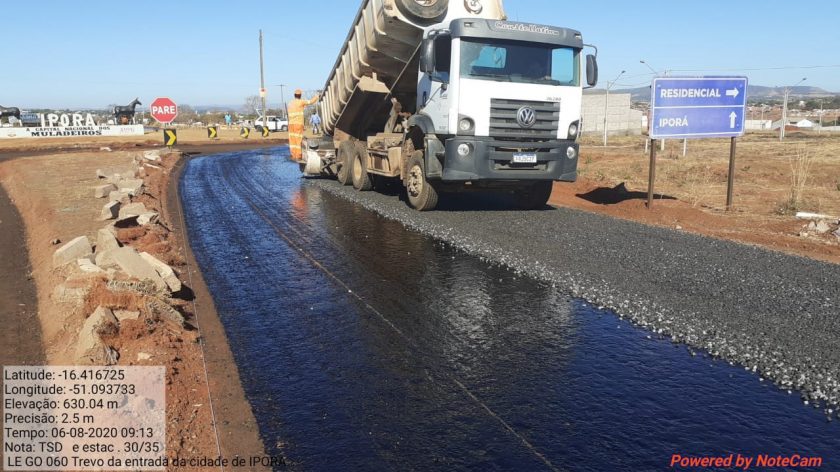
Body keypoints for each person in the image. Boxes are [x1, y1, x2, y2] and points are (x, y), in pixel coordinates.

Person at [287, 89, 319, 161]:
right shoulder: (301, 102)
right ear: (300, 95)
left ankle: (293, 155)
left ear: (294, 95)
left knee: (292, 141)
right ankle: (298, 156)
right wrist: (317, 97)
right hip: (298, 124)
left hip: (291, 124)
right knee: (298, 140)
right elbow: (310, 102)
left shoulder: (290, 103)